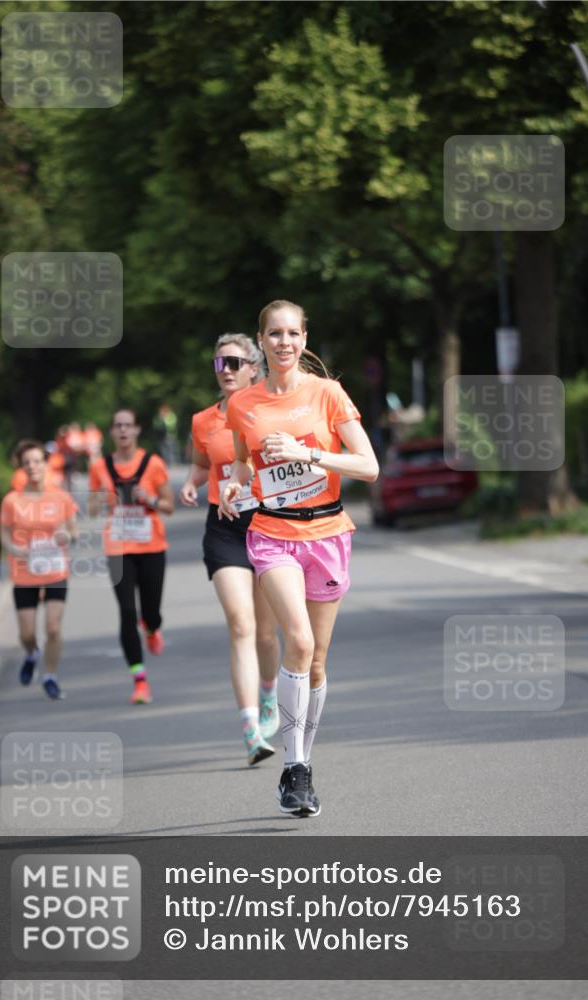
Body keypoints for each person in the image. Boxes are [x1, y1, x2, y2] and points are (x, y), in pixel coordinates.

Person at [220, 299, 379, 817]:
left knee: (316, 661)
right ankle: (293, 769)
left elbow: (368, 466)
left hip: (329, 532)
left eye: (292, 333)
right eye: (274, 334)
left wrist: (308, 453)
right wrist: (233, 484)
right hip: (272, 535)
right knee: (300, 639)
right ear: (261, 341)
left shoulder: (328, 394)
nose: (284, 342)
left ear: (304, 339)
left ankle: (303, 761)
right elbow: (246, 460)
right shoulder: (243, 403)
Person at [180, 334, 281, 766]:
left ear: (254, 369)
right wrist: (191, 482)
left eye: (235, 362)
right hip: (224, 529)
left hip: (270, 526)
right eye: (219, 362)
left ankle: (270, 694)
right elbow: (205, 463)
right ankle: (250, 729)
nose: (225, 369)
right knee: (240, 625)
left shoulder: (269, 411)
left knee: (264, 632)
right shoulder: (204, 420)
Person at [88, 409, 174, 704]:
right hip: (118, 548)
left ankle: (152, 628)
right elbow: (91, 508)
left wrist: (147, 498)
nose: (123, 431)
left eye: (128, 425)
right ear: (111, 432)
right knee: (126, 612)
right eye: (118, 426)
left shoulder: (153, 463)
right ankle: (139, 681)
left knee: (150, 612)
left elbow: (168, 506)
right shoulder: (100, 467)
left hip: (151, 546)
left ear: (137, 430)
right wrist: (100, 499)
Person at [0, 440, 78, 700]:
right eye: (26, 463)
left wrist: (66, 535)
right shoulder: (12, 500)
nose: (32, 467)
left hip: (55, 569)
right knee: (27, 633)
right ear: (21, 468)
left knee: (53, 628)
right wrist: (14, 549)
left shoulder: (61, 497)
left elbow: (74, 531)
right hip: (24, 571)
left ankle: (50, 676)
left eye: (37, 462)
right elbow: (4, 532)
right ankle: (32, 653)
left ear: (46, 465)